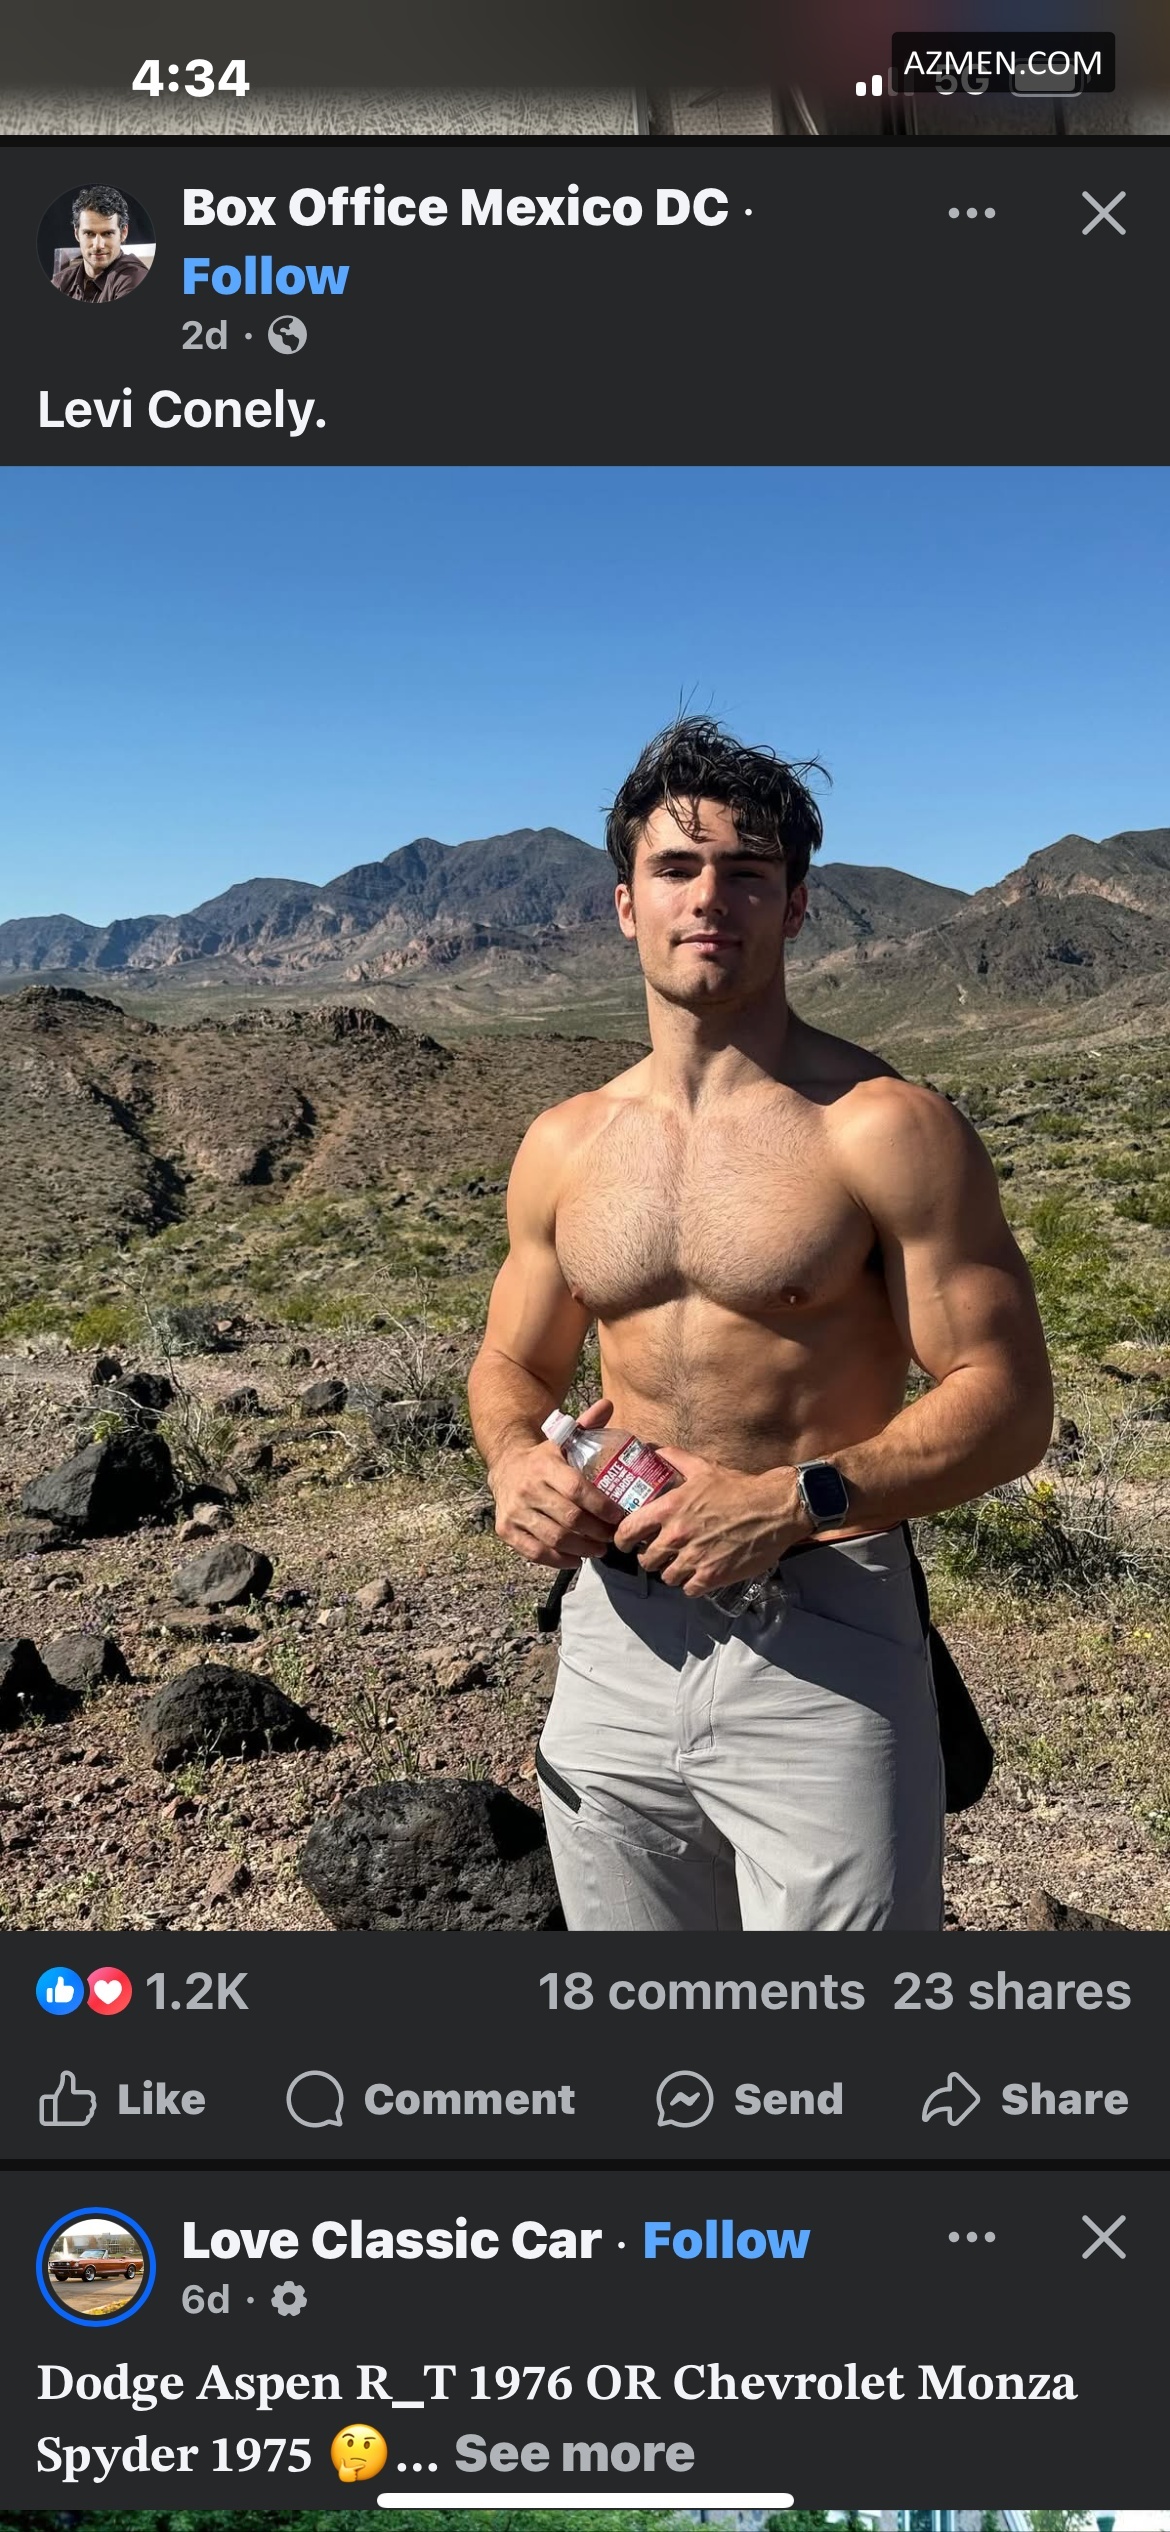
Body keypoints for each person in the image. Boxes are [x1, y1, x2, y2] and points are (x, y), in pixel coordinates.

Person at [467, 717, 1054, 1931]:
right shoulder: (566, 1145)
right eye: (676, 868)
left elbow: (1008, 1401)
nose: (709, 899)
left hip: (820, 1616)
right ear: (624, 904)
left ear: (795, 907)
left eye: (747, 873)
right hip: (615, 1629)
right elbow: (512, 1361)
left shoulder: (884, 1127)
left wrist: (791, 1500)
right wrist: (514, 1458)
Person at [52, 185, 150, 301]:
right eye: (89, 233)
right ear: (77, 234)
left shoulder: (134, 278)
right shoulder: (61, 282)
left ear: (123, 233)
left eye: (107, 233)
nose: (98, 245)